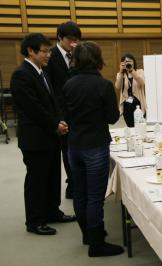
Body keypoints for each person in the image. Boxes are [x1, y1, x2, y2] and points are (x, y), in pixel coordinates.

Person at [10, 33, 76, 235]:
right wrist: (55, 125)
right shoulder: (21, 74)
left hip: (50, 135)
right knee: (37, 180)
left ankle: (51, 211)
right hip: (35, 138)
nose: (49, 55)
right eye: (45, 51)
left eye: (49, 51)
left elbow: (52, 101)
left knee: (52, 176)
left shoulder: (42, 71)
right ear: (31, 51)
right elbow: (33, 108)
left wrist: (60, 121)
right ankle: (35, 220)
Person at [63, 41, 123, 256]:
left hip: (74, 145)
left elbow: (66, 116)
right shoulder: (103, 85)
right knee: (95, 196)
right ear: (98, 60)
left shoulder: (69, 84)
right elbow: (112, 117)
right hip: (95, 145)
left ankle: (88, 235)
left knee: (80, 192)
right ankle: (97, 244)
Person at [45, 21, 82, 199]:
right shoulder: (50, 57)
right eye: (70, 39)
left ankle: (74, 183)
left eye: (77, 40)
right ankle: (72, 184)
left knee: (76, 148)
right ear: (59, 38)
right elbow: (49, 89)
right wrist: (57, 116)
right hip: (59, 112)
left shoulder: (78, 56)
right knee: (65, 150)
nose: (73, 43)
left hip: (77, 110)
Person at [114, 53, 146, 127]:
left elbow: (142, 83)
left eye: (130, 61)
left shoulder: (140, 71)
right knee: (130, 126)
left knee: (140, 125)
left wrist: (132, 71)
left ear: (134, 62)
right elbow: (117, 87)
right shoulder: (120, 74)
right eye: (126, 62)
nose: (128, 63)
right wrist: (121, 72)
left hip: (139, 103)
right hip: (127, 105)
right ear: (122, 63)